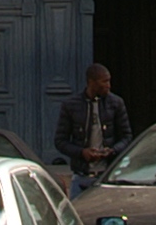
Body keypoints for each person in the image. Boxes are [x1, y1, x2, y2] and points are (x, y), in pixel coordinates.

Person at [55, 63, 132, 197]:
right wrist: (82, 152)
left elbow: (126, 136)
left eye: (109, 81)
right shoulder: (71, 106)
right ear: (92, 82)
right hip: (81, 176)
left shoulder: (116, 103)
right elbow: (60, 141)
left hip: (107, 176)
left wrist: (112, 150)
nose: (108, 85)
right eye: (104, 81)